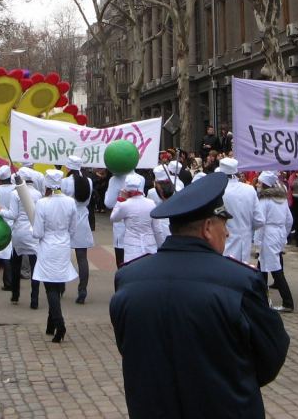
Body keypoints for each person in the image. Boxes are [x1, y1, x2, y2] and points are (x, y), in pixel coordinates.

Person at [110, 173, 288, 419]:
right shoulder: (241, 281)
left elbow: (128, 347)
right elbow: (270, 356)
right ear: (207, 228)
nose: (227, 233)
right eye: (224, 224)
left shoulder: (129, 278)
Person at [31, 169, 78, 343]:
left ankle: (59, 324)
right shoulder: (70, 202)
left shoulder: (42, 203)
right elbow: (73, 228)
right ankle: (51, 324)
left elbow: (37, 232)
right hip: (63, 245)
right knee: (57, 284)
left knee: (50, 286)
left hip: (48, 246)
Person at [0, 168, 42, 308]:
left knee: (15, 266)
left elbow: (13, 215)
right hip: (33, 233)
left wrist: (0, 210)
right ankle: (34, 299)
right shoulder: (38, 194)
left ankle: (15, 295)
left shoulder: (15, 193)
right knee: (35, 268)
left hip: (19, 233)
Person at [255, 170, 294, 311]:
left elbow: (260, 222)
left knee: (275, 269)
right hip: (278, 233)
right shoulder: (282, 200)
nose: (258, 185)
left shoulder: (264, 201)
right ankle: (261, 298)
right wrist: (284, 235)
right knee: (262, 266)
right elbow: (289, 220)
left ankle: (288, 302)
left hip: (268, 234)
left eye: (260, 183)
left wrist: (257, 241)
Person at [109, 173, 165, 265]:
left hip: (132, 247)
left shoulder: (125, 205)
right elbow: (157, 230)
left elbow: (113, 218)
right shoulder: (151, 203)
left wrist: (120, 199)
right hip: (149, 245)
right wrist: (161, 246)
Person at [60, 156, 94, 303]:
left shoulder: (65, 182)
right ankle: (82, 290)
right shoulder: (89, 181)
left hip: (67, 219)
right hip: (82, 219)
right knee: (82, 258)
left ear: (68, 167)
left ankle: (60, 288)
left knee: (62, 256)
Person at [218, 158, 259, 264]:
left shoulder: (219, 192)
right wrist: (246, 228)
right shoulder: (249, 190)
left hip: (223, 243)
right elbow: (259, 220)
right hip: (244, 244)